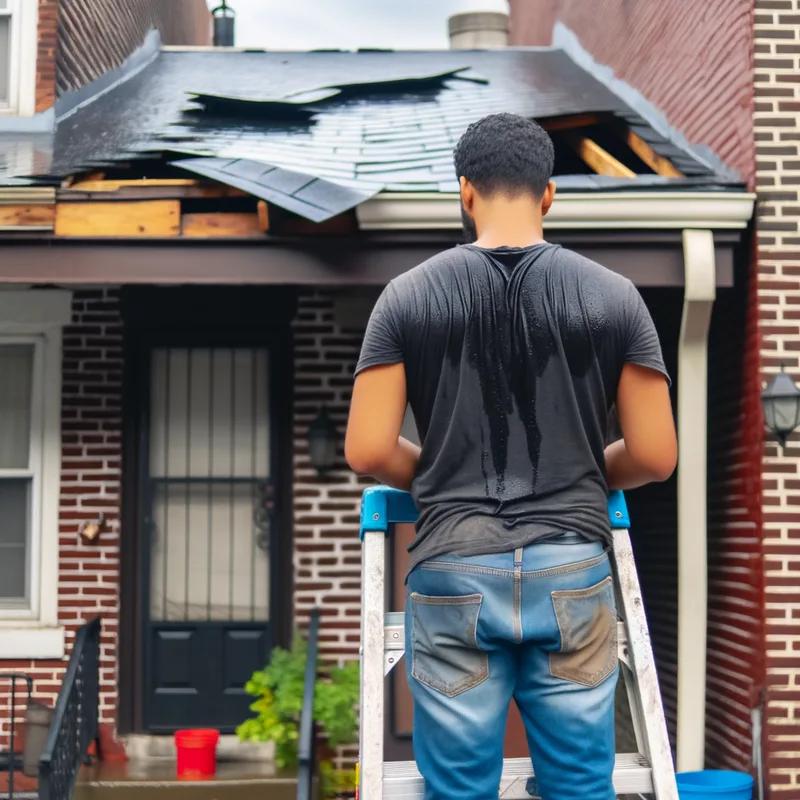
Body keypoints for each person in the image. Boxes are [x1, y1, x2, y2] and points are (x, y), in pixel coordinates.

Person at [344, 112, 677, 800]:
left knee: (460, 791)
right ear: (548, 194)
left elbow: (368, 448)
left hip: (452, 566)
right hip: (573, 567)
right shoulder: (615, 298)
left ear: (465, 193)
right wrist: (583, 474)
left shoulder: (406, 297)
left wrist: (439, 478)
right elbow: (654, 455)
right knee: (582, 787)